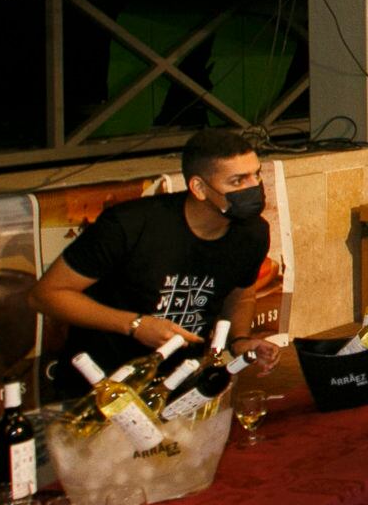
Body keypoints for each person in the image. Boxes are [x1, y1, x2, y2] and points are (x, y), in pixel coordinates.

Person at [35, 127, 283, 380]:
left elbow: (241, 295)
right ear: (199, 187)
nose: (254, 187)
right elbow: (46, 295)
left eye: (256, 175)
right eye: (238, 181)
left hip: (181, 380)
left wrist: (240, 341)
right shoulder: (129, 225)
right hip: (101, 381)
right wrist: (136, 325)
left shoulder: (252, 233)